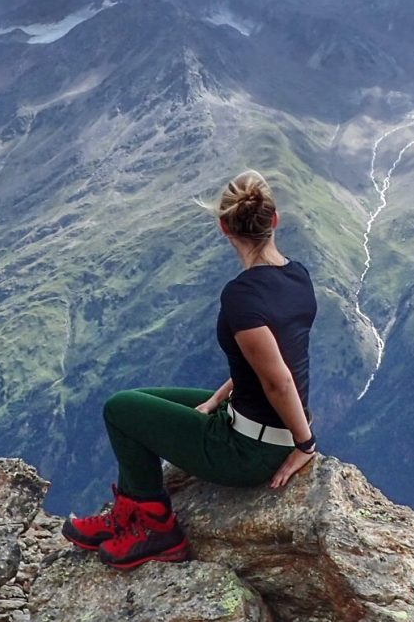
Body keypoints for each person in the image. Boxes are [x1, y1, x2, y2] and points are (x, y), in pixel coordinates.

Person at [62, 169, 318, 570]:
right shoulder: (297, 276)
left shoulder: (242, 297)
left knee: (119, 409)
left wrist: (306, 445)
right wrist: (216, 399)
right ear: (275, 220)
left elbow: (277, 379)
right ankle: (127, 513)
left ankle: (155, 529)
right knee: (141, 404)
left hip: (247, 451)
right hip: (263, 422)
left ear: (223, 227)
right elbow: (271, 364)